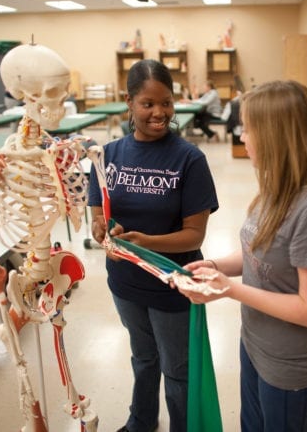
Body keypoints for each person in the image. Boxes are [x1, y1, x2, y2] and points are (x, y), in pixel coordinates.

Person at [178, 80, 307, 431]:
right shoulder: (277, 188)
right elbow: (256, 253)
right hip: (255, 345)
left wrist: (229, 289)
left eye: (248, 129)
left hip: (290, 367)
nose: (242, 137)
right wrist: (214, 266)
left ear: (275, 136)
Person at [88, 59, 219, 432]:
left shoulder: (189, 159)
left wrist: (148, 242)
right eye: (148, 104)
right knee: (143, 358)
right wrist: (100, 228)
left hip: (172, 284)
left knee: (177, 370)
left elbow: (195, 234)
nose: (159, 113)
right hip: (125, 283)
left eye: (166, 103)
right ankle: (140, 423)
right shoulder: (107, 156)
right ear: (129, 102)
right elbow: (98, 217)